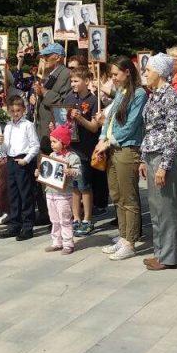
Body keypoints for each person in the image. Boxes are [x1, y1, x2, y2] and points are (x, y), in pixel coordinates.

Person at [96, 57, 148, 261]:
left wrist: (109, 141)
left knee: (129, 196)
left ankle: (131, 241)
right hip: (111, 148)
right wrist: (102, 138)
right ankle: (124, 234)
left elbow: (132, 124)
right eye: (111, 75)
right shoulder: (120, 92)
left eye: (116, 74)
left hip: (127, 149)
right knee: (117, 195)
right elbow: (109, 119)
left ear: (128, 72)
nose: (113, 78)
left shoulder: (139, 94)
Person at [139, 53, 177, 271]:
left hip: (164, 156)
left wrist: (164, 166)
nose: (145, 73)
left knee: (166, 208)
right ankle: (159, 252)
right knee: (156, 207)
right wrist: (142, 158)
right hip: (151, 153)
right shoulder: (154, 95)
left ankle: (169, 256)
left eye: (148, 70)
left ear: (159, 72)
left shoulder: (171, 97)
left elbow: (172, 134)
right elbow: (149, 129)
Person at [63, 67, 102, 234]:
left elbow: (94, 127)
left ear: (86, 82)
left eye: (76, 81)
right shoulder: (69, 97)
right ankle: (76, 218)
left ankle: (87, 218)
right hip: (72, 148)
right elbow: (63, 120)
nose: (73, 84)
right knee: (74, 186)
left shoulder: (93, 100)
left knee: (85, 185)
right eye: (71, 81)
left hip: (86, 149)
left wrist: (80, 118)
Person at [0, 94, 39, 240]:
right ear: (8, 111)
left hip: (23, 161)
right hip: (11, 161)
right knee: (13, 194)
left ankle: (27, 226)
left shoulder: (27, 125)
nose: (15, 113)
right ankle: (15, 224)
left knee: (25, 194)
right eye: (12, 111)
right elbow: (4, 149)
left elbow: (35, 145)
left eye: (18, 110)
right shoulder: (8, 126)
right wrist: (1, 142)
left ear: (23, 110)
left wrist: (26, 160)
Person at [39, 124, 79, 254]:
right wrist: (39, 172)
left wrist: (71, 171)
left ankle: (68, 244)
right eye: (51, 142)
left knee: (65, 219)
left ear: (64, 142)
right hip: (50, 193)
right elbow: (46, 170)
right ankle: (57, 242)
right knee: (54, 220)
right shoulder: (51, 154)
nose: (52, 144)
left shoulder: (71, 157)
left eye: (55, 142)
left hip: (63, 194)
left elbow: (79, 172)